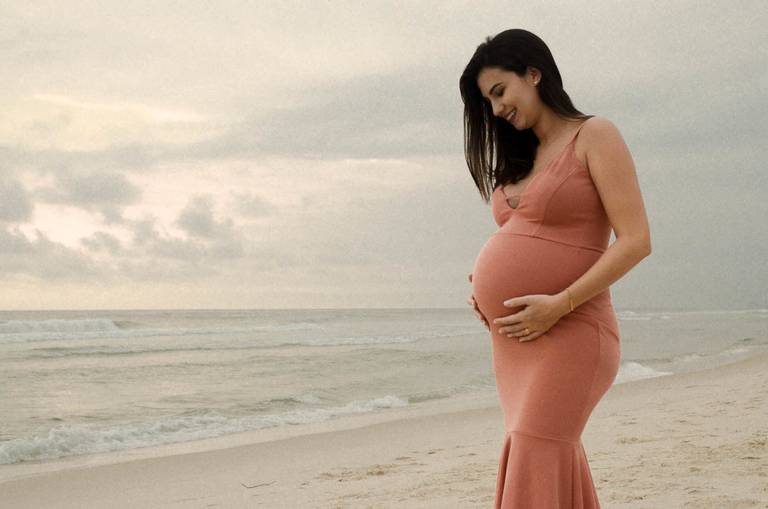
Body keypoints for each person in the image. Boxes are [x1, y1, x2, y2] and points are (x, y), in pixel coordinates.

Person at [459, 29, 651, 508]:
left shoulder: (594, 135)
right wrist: (483, 290)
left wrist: (558, 303)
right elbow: (527, 239)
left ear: (534, 73)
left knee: (534, 447)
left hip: (574, 330)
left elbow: (636, 241)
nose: (497, 109)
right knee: (544, 457)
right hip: (517, 344)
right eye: (489, 102)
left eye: (500, 92)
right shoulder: (520, 159)